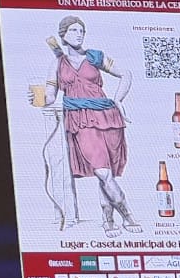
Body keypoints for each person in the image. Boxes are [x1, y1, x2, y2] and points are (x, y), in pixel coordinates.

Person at [45, 16, 141, 236]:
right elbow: (50, 96)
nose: (79, 34)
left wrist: (118, 99)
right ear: (63, 35)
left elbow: (125, 74)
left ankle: (108, 221)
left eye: (82, 30)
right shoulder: (57, 64)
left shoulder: (95, 56)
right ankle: (129, 217)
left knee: (106, 174)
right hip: (80, 121)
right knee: (103, 171)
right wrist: (39, 96)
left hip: (107, 118)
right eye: (73, 30)